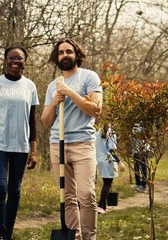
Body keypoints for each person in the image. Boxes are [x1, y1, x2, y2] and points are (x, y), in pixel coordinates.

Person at [41, 38, 102, 240]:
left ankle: (89, 237)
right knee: (67, 197)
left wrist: (69, 92)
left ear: (77, 54)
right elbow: (46, 121)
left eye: (69, 51)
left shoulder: (89, 77)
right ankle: (73, 236)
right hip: (57, 144)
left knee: (86, 195)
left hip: (83, 143)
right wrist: (54, 102)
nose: (65, 55)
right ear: (56, 57)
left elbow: (95, 110)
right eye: (60, 52)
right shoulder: (53, 86)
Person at [0, 45, 39, 240]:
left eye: (19, 58)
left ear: (25, 61)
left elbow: (32, 120)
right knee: (1, 188)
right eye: (11, 57)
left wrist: (34, 150)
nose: (15, 61)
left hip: (21, 146)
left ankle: (8, 234)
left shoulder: (30, 86)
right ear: (6, 60)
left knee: (15, 190)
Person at [95, 123, 126, 214]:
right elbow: (111, 150)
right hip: (108, 160)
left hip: (99, 160)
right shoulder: (111, 133)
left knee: (106, 183)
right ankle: (100, 206)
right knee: (108, 184)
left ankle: (103, 206)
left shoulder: (97, 133)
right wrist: (119, 162)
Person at [132, 123, 149, 193]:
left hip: (143, 151)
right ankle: (138, 184)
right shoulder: (133, 127)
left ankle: (143, 185)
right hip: (136, 151)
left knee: (143, 168)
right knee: (136, 168)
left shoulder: (144, 126)